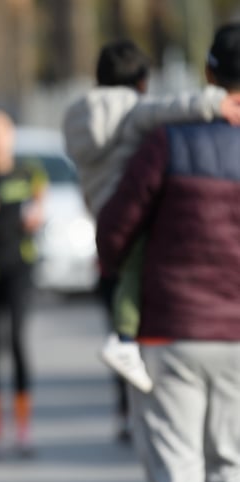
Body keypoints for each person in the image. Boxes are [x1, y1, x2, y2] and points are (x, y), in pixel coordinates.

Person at [95, 23, 240, 482]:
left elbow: (116, 227)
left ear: (208, 74)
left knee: (180, 473)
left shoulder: (169, 141)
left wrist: (115, 272)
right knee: (233, 468)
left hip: (169, 328)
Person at [62, 39, 240, 439]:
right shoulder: (132, 111)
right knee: (137, 266)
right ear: (142, 81)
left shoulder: (77, 113)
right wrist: (214, 103)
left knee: (124, 270)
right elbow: (163, 109)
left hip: (98, 202)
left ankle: (124, 340)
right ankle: (123, 339)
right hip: (124, 202)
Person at [0, 110, 46, 457]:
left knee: (16, 340)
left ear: (11, 135)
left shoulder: (28, 170)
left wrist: (37, 214)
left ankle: (23, 428)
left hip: (20, 265)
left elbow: (40, 202)